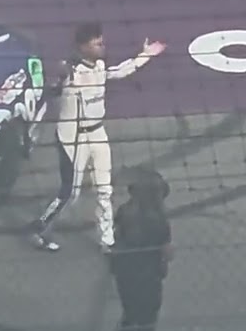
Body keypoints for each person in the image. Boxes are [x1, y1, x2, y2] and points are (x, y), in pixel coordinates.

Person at [29, 21, 165, 252]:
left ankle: (108, 242)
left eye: (102, 42)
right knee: (71, 193)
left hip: (97, 133)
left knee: (105, 190)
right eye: (97, 44)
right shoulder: (71, 71)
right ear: (82, 47)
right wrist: (62, 73)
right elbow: (59, 80)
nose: (103, 47)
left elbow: (121, 70)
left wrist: (145, 55)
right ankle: (41, 227)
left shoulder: (100, 66)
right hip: (72, 138)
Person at [101, 166, 173, 331]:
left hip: (124, 274)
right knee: (144, 330)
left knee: (129, 320)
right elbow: (164, 253)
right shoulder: (158, 221)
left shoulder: (124, 211)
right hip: (147, 278)